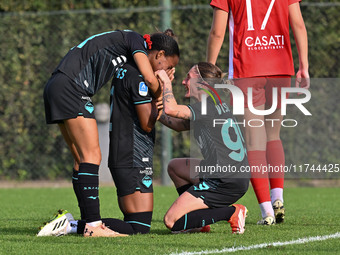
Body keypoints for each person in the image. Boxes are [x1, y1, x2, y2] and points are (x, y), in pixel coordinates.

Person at [40, 29, 180, 237]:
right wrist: (163, 88)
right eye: (168, 66)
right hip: (72, 87)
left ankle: (77, 223)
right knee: (92, 156)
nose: (168, 71)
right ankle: (92, 226)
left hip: (58, 84)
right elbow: (151, 80)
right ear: (158, 54)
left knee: (81, 159)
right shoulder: (135, 41)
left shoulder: (127, 42)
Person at [206, 0, 309, 225]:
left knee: (254, 141)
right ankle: (277, 198)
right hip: (281, 68)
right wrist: (304, 66)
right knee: (273, 136)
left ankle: (266, 212)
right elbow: (299, 25)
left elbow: (217, 32)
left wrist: (209, 70)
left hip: (247, 69)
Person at [156, 62, 250, 234]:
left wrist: (165, 82)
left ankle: (233, 212)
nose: (184, 82)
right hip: (230, 173)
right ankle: (198, 222)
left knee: (172, 221)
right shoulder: (213, 104)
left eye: (188, 78)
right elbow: (177, 124)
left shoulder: (206, 106)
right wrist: (153, 110)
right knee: (175, 167)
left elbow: (171, 109)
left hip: (225, 180)